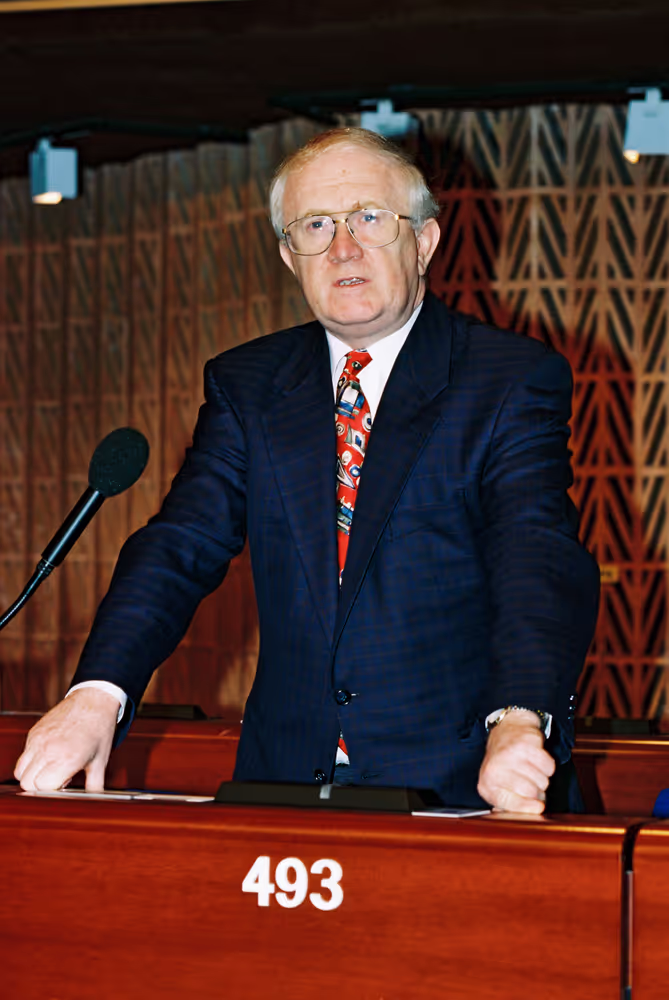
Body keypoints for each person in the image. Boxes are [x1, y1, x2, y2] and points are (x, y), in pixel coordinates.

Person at [15, 128, 599, 812]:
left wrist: (520, 717)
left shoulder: (507, 378)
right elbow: (180, 545)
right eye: (315, 225)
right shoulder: (249, 384)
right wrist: (96, 694)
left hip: (465, 781)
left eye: (369, 218)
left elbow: (535, 557)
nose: (342, 247)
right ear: (290, 257)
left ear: (424, 242)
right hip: (286, 785)